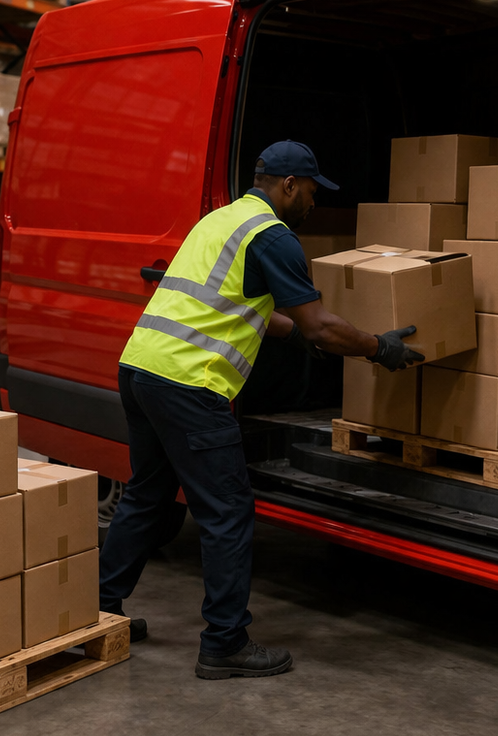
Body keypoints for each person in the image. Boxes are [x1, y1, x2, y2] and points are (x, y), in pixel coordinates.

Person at [100, 140, 424, 679]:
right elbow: (320, 325)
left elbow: (237, 306)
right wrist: (377, 348)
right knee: (227, 512)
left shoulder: (221, 220)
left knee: (147, 495)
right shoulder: (273, 236)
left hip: (140, 368)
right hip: (190, 383)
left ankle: (99, 612)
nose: (314, 203)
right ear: (289, 185)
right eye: (312, 192)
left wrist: (294, 335)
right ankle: (224, 643)